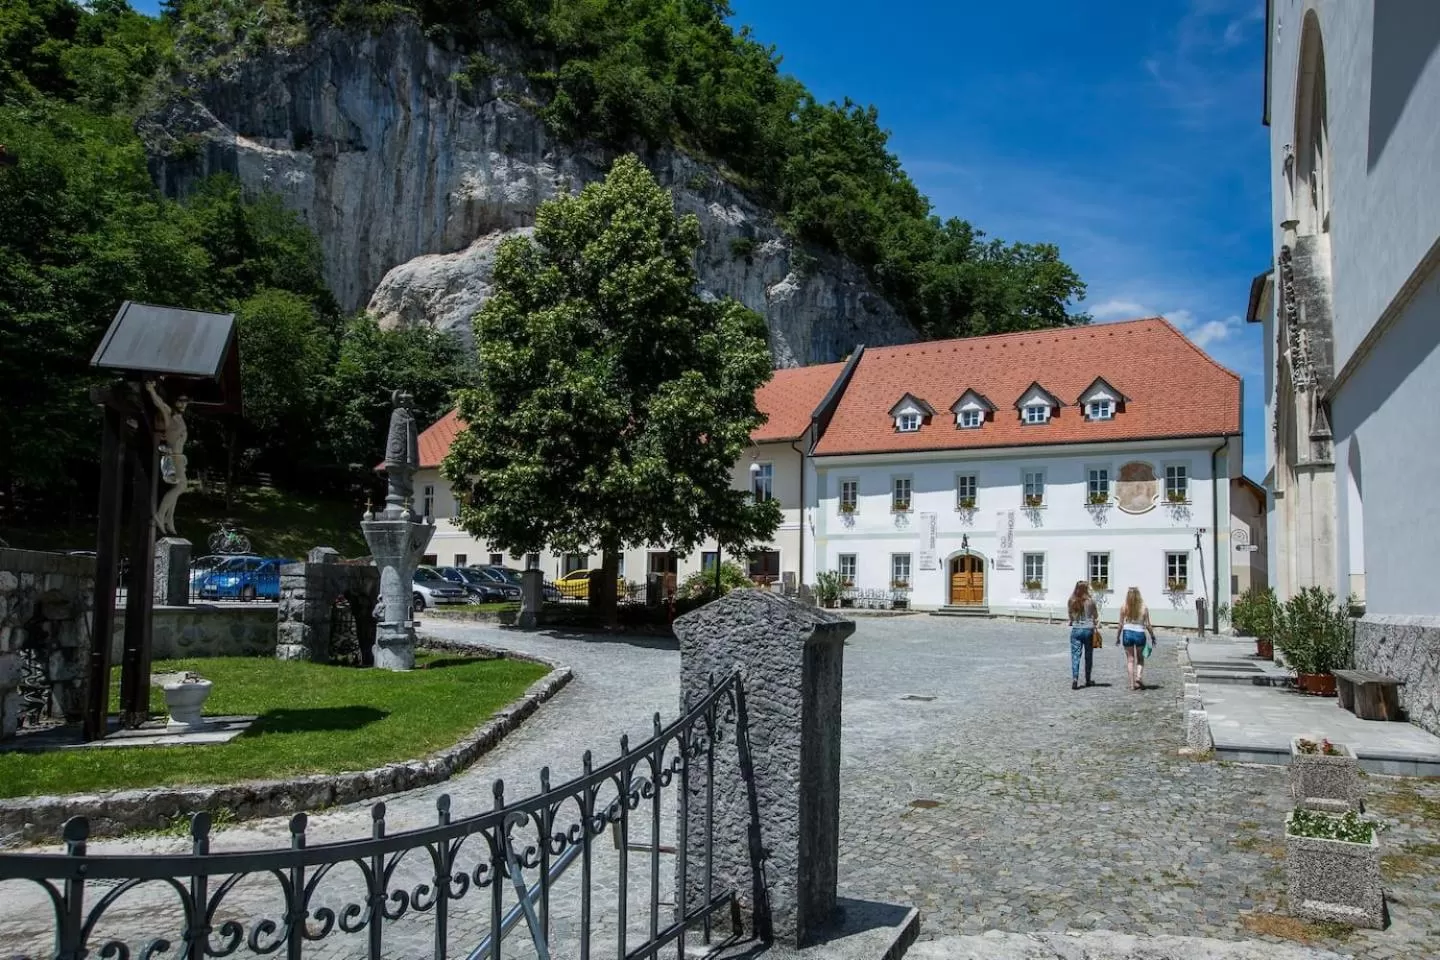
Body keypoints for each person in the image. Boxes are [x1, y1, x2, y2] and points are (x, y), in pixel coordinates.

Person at [1115, 587, 1156, 690]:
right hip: (1140, 634)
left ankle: (1132, 685)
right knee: (1140, 659)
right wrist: (1152, 636)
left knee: (1130, 660)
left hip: (1127, 633)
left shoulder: (1124, 607)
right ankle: (1138, 677)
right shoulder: (1144, 608)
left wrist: (1118, 637)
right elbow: (1148, 625)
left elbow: (1120, 624)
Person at [1066, 580, 1099, 690]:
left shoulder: (1071, 600)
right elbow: (1096, 616)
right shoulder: (1090, 601)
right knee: (1088, 655)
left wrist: (1073, 621)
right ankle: (1088, 679)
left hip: (1076, 630)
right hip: (1088, 630)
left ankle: (1075, 679)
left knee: (1075, 655)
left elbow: (1070, 617)